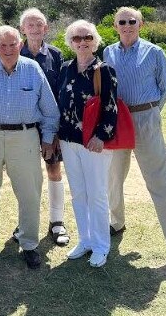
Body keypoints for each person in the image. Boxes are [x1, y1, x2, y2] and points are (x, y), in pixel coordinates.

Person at [0, 25, 60, 268]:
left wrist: (48, 138)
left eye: (12, 44)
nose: (8, 50)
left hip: (25, 137)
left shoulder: (33, 69)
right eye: (2, 45)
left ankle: (29, 244)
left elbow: (50, 110)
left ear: (20, 44)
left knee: (29, 193)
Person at [104, 6, 166, 275]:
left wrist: (149, 115)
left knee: (161, 182)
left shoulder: (155, 52)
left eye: (132, 21)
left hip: (145, 118)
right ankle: (116, 223)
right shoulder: (108, 52)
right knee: (114, 176)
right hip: (118, 120)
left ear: (141, 24)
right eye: (121, 22)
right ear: (115, 26)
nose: (126, 25)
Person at [58, 20, 118, 268]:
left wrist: (101, 136)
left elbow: (110, 107)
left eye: (87, 38)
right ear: (70, 42)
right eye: (76, 38)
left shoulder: (104, 70)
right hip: (68, 140)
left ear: (95, 41)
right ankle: (85, 240)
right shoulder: (65, 68)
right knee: (79, 193)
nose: (82, 42)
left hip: (93, 142)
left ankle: (102, 246)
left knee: (97, 194)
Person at [12, 7, 69, 246]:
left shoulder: (56, 56)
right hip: (21, 128)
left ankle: (57, 222)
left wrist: (55, 131)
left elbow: (61, 96)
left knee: (54, 172)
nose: (35, 29)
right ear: (22, 29)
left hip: (50, 127)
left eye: (39, 25)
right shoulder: (13, 53)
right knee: (25, 177)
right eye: (30, 25)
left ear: (46, 29)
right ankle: (25, 223)